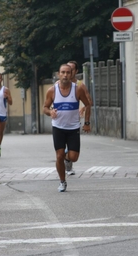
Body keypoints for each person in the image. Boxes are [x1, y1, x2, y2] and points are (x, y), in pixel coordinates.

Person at [43, 64, 91, 192]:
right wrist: (50, 112)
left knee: (73, 157)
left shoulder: (78, 89)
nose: (65, 75)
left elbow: (88, 105)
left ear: (72, 74)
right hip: (58, 127)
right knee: (59, 156)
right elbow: (45, 108)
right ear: (58, 74)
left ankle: (67, 158)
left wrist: (87, 123)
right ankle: (62, 181)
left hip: (73, 128)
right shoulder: (52, 90)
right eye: (63, 72)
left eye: (68, 72)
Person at [64, 60, 93, 175]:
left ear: (76, 71)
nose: (69, 72)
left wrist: (84, 110)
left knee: (71, 148)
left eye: (71, 69)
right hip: (61, 120)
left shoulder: (80, 86)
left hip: (75, 120)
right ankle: (66, 163)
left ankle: (68, 160)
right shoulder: (58, 84)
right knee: (62, 146)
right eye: (67, 69)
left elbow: (89, 102)